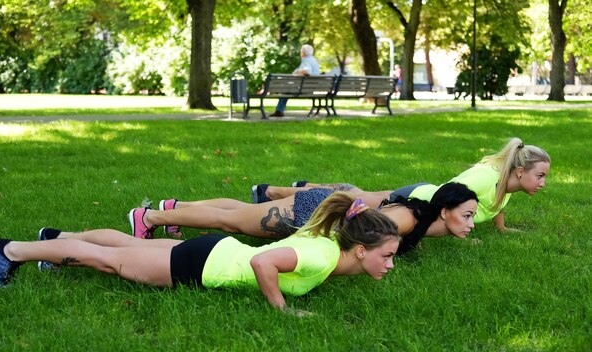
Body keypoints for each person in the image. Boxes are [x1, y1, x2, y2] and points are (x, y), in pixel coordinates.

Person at [0, 193, 400, 314]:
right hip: (202, 264)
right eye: (387, 256)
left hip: (215, 250)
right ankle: (11, 251)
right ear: (360, 251)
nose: (392, 264)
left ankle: (56, 238)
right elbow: (263, 262)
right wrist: (281, 309)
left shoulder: (330, 242)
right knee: (109, 260)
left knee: (128, 246)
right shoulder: (325, 257)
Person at [250, 138, 550, 232]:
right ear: (520, 171)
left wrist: (501, 227)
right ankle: (273, 192)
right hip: (416, 200)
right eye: (540, 175)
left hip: (419, 198)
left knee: (356, 194)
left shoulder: (506, 183)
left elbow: (496, 203)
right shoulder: (486, 178)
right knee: (350, 200)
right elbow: (450, 193)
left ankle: (294, 187)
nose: (543, 183)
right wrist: (424, 226)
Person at [129, 183, 477, 255]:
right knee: (231, 222)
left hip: (317, 209)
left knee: (236, 211)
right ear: (445, 212)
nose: (473, 222)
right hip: (310, 213)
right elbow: (359, 229)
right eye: (467, 215)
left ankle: (175, 207)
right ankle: (150, 217)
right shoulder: (407, 221)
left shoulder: (430, 224)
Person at [269, 44, 320, 118]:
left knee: (285, 90)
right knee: (285, 90)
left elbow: (307, 72)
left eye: (301, 51)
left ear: (303, 53)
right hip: (310, 88)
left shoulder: (306, 61)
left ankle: (279, 111)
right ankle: (279, 111)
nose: (300, 53)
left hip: (303, 89)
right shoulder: (313, 60)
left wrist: (297, 73)